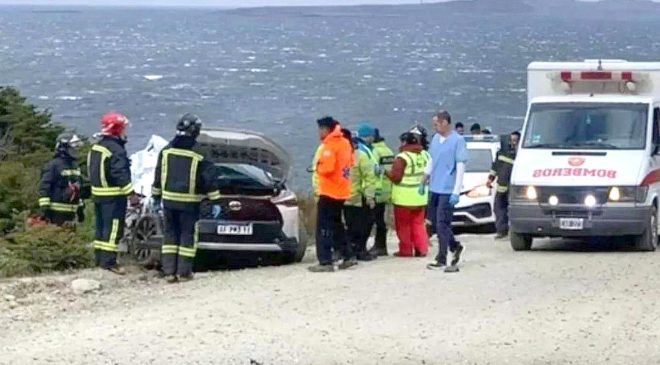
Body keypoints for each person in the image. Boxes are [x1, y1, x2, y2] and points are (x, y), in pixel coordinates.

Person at [151, 113, 222, 283]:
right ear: (196, 131)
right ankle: (184, 272)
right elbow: (209, 179)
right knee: (187, 236)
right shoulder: (199, 153)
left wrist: (155, 197)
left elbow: (158, 174)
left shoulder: (166, 150)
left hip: (168, 202)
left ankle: (168, 272)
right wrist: (215, 201)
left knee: (170, 236)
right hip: (189, 203)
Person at [87, 112, 133, 275]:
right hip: (113, 197)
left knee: (100, 229)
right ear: (117, 129)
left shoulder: (97, 146)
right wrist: (131, 194)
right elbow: (119, 173)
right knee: (113, 229)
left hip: (98, 195)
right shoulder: (116, 149)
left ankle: (99, 259)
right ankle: (109, 262)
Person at [423, 111, 468, 273]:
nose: (434, 127)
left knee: (443, 223)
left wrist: (456, 191)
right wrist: (424, 179)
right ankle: (455, 246)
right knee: (435, 222)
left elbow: (461, 166)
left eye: (436, 123)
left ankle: (441, 257)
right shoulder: (435, 139)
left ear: (445, 123)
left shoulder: (458, 141)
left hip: (448, 188)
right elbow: (431, 160)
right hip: (435, 186)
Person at [309, 116, 354, 273]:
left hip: (329, 191)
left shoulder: (330, 145)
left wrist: (317, 167)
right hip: (342, 190)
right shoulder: (345, 143)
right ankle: (348, 255)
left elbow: (327, 168)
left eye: (320, 129)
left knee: (323, 227)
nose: (319, 132)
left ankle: (325, 260)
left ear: (326, 129)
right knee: (337, 224)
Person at [386, 132, 430, 257]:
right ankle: (422, 249)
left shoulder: (402, 157)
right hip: (420, 197)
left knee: (404, 226)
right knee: (419, 224)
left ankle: (406, 250)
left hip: (403, 198)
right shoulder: (425, 155)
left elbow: (396, 178)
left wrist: (385, 172)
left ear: (404, 142)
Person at [343, 122, 379, 262]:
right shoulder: (362, 152)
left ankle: (358, 250)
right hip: (347, 197)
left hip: (357, 196)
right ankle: (353, 250)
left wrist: (369, 195)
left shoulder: (360, 154)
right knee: (353, 226)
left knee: (361, 226)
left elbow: (369, 176)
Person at [38, 132, 85, 226]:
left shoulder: (75, 166)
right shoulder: (53, 165)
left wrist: (80, 208)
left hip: (71, 214)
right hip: (55, 214)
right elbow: (44, 186)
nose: (75, 150)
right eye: (73, 148)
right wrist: (44, 208)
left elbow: (77, 188)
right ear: (63, 147)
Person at [487, 131, 520, 240]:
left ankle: (516, 231)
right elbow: (495, 167)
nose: (513, 143)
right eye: (512, 140)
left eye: (516, 141)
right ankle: (502, 231)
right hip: (501, 186)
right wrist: (490, 180)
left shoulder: (521, 155)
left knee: (513, 209)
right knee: (499, 208)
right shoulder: (501, 153)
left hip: (514, 188)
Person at [369, 128, 395, 257]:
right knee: (381, 218)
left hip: (377, 189)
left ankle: (379, 245)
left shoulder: (374, 151)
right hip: (387, 189)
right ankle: (381, 245)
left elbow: (372, 169)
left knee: (375, 219)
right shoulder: (388, 150)